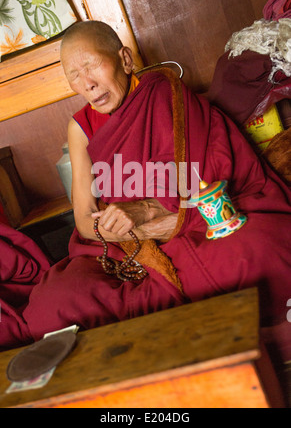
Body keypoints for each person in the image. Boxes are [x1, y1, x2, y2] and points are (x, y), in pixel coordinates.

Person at [1, 21, 291, 351]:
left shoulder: (167, 98)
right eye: (74, 75)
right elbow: (84, 217)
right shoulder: (80, 127)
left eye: (92, 65)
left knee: (259, 249)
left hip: (192, 225)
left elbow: (211, 181)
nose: (88, 84)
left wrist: (148, 211)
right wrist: (129, 234)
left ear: (124, 60)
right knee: (51, 305)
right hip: (127, 245)